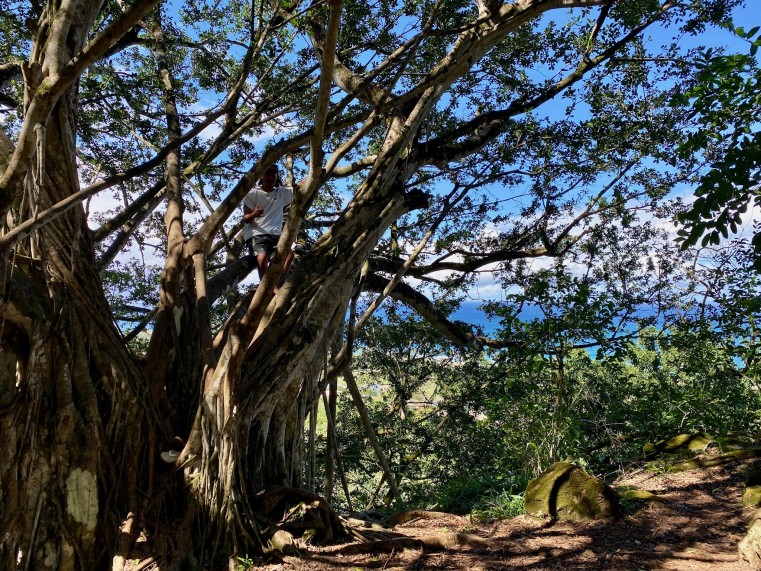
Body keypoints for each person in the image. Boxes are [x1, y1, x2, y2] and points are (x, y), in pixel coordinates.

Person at [242, 165, 294, 284]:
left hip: (275, 235)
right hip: (256, 234)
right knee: (262, 258)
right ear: (261, 176)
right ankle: (265, 285)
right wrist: (254, 214)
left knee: (289, 255)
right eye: (268, 173)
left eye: (274, 174)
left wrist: (318, 172)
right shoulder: (253, 194)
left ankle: (277, 282)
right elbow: (246, 218)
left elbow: (300, 186)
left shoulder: (281, 193)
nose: (271, 177)